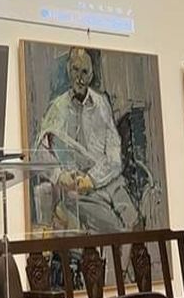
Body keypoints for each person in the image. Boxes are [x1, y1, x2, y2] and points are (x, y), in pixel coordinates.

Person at [34, 47, 138, 233]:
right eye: (75, 70)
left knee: (134, 222)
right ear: (68, 70)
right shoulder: (58, 108)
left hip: (109, 181)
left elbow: (115, 156)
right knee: (115, 229)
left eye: (84, 72)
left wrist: (92, 179)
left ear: (91, 75)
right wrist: (59, 176)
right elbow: (39, 153)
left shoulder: (101, 104)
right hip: (79, 191)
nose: (80, 78)